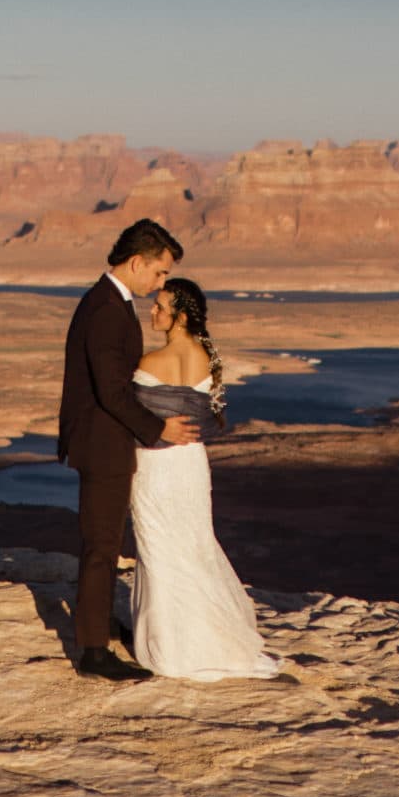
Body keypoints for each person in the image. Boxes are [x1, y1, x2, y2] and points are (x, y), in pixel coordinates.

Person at [58, 219, 199, 681]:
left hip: (108, 444)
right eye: (159, 273)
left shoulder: (112, 303)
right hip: (102, 447)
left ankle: (95, 627)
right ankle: (93, 652)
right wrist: (159, 429)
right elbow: (111, 392)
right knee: (100, 547)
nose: (161, 283)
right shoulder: (105, 309)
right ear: (137, 262)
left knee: (105, 543)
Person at [121, 278, 279, 680]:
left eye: (159, 307)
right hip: (191, 464)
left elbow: (130, 416)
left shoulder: (148, 364)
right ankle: (206, 637)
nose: (152, 312)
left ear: (181, 317)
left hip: (156, 468)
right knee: (191, 546)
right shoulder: (208, 360)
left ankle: (172, 649)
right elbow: (203, 417)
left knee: (159, 550)